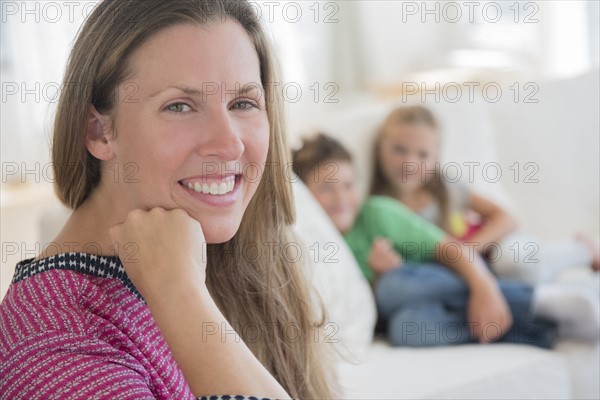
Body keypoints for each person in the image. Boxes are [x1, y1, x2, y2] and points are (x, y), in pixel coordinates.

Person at [0, 1, 336, 399]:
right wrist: (180, 293)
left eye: (243, 103)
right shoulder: (51, 349)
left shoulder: (216, 255)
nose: (229, 144)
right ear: (98, 132)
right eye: (179, 106)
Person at [292, 133, 600, 347]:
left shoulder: (377, 213)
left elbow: (452, 249)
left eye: (347, 185)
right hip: (412, 314)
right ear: (305, 197)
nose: (341, 197)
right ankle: (545, 328)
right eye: (327, 188)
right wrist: (376, 280)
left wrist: (485, 288)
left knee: (393, 286)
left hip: (443, 284)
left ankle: (536, 298)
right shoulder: (316, 247)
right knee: (404, 331)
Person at [370, 105, 600, 285]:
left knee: (514, 264)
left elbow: (506, 217)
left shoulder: (447, 188)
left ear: (436, 157)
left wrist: (469, 250)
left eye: (422, 155)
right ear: (380, 148)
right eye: (399, 150)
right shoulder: (377, 210)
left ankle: (581, 250)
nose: (410, 163)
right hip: (473, 276)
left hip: (499, 248)